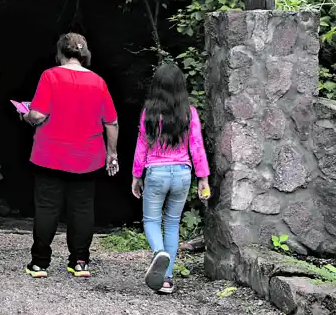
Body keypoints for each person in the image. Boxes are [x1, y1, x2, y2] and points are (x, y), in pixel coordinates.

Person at [21, 32, 119, 279]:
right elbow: (111, 122)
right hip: (88, 158)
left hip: (49, 155)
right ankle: (80, 262)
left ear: (60, 53)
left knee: (47, 208)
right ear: (84, 53)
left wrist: (26, 114)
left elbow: (39, 115)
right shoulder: (98, 82)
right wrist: (112, 153)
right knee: (83, 209)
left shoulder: (50, 76)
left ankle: (40, 264)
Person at [131, 61, 210, 295]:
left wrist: (137, 175)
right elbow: (197, 146)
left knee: (151, 221)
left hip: (156, 173)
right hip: (183, 174)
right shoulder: (190, 113)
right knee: (172, 223)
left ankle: (159, 253)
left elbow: (142, 145)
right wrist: (203, 177)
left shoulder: (149, 113)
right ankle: (166, 279)